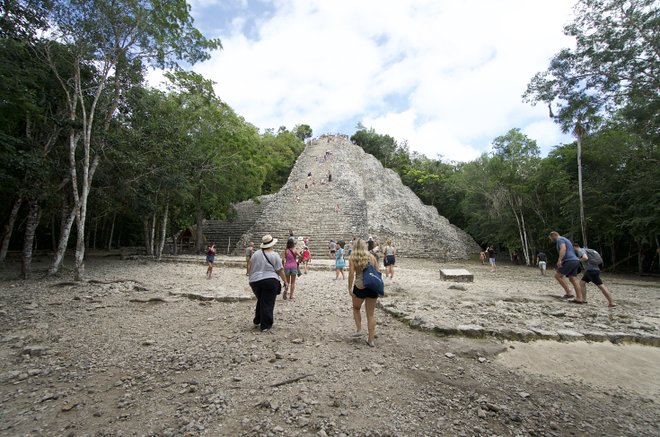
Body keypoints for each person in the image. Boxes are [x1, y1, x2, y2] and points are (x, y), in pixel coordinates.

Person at [248, 235, 288, 332]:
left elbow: (250, 265)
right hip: (270, 280)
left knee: (261, 300)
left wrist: (250, 277)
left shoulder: (256, 254)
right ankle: (265, 325)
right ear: (272, 244)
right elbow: (280, 270)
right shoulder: (274, 255)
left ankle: (257, 320)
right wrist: (285, 281)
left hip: (255, 281)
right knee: (268, 302)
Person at [347, 239, 381, 347]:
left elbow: (351, 273)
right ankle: (371, 340)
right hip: (372, 286)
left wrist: (349, 287)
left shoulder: (353, 257)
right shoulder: (372, 257)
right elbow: (378, 271)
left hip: (360, 286)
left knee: (356, 308)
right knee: (370, 314)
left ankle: (359, 329)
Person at [574, 243, 616, 307]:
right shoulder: (586, 249)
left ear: (575, 247)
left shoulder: (580, 250)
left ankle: (611, 302)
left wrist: (577, 260)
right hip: (592, 270)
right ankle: (583, 300)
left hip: (591, 271)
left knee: (601, 286)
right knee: (582, 283)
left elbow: (585, 258)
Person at [548, 231, 584, 303]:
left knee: (558, 276)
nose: (551, 240)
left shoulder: (560, 239)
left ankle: (569, 293)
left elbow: (563, 248)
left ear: (553, 235)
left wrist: (559, 260)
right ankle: (579, 298)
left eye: (551, 238)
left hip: (569, 260)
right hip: (575, 260)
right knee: (573, 279)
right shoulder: (566, 239)